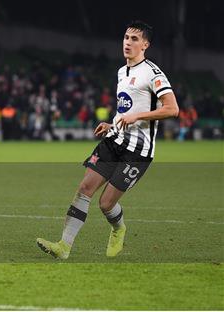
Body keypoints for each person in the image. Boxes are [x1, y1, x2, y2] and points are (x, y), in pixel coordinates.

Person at [37, 21, 179, 259]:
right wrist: (112, 123)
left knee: (105, 204)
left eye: (134, 39)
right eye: (126, 37)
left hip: (138, 152)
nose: (128, 42)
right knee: (84, 189)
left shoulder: (153, 73)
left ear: (145, 44)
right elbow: (126, 107)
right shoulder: (121, 72)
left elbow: (172, 109)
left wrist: (137, 117)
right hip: (114, 140)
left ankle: (118, 228)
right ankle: (64, 246)